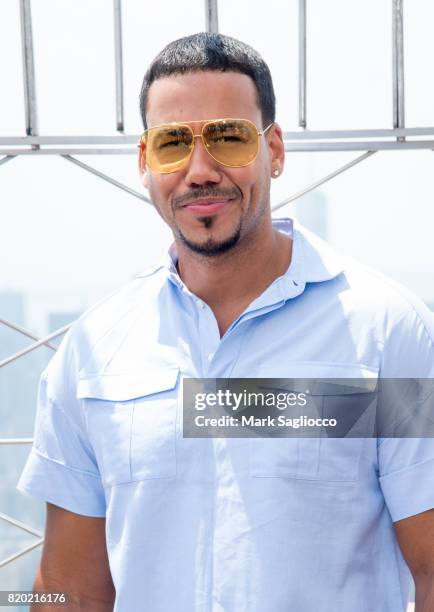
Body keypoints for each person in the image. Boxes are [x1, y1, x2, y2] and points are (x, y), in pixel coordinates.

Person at [17, 32, 434, 612]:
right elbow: (68, 591)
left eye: (229, 139)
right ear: (145, 163)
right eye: (171, 145)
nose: (199, 171)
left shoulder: (385, 332)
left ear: (276, 151)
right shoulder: (92, 351)